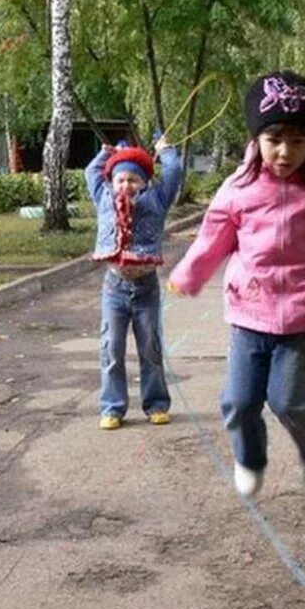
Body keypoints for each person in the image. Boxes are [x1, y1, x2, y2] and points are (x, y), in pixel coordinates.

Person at [167, 71, 305, 498]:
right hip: (250, 315)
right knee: (239, 402)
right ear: (256, 139)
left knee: (292, 403)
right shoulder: (238, 188)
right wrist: (187, 275)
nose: (286, 152)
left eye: (298, 142)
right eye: (275, 140)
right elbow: (213, 238)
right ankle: (249, 458)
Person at [85, 133, 182, 429]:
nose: (126, 185)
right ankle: (113, 407)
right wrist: (106, 154)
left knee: (150, 347)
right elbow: (91, 172)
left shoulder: (156, 200)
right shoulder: (103, 197)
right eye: (121, 180)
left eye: (133, 180)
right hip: (114, 288)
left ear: (144, 183)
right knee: (111, 348)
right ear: (111, 182)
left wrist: (165, 150)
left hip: (146, 288)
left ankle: (156, 404)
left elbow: (175, 171)